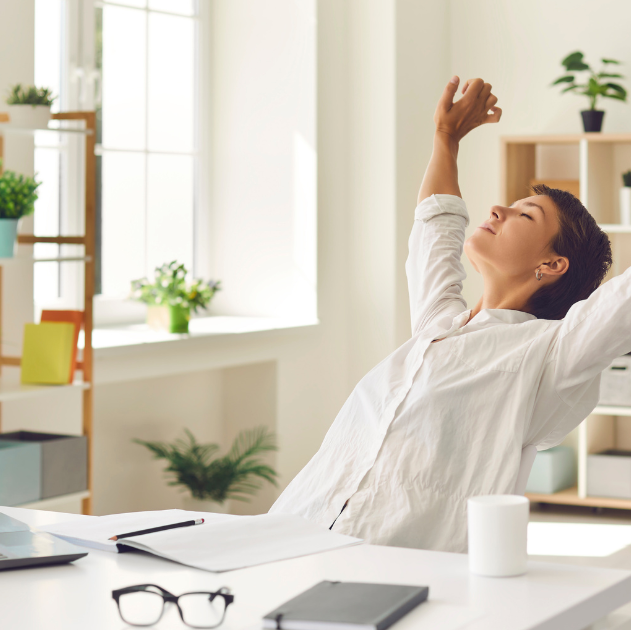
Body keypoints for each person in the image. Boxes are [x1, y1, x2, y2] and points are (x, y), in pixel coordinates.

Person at [269, 76, 618, 553]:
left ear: (552, 265)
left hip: (392, 569)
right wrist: (446, 139)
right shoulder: (440, 325)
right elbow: (436, 226)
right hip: (292, 529)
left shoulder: (551, 356)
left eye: (526, 215)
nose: (498, 209)